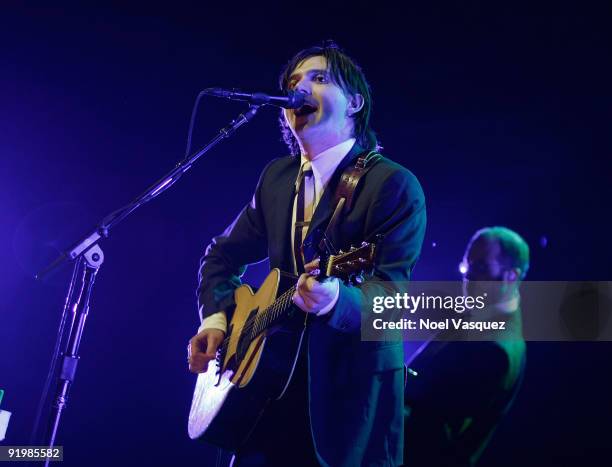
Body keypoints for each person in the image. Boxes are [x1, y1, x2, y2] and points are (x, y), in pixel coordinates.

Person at [188, 41, 426, 466]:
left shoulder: (392, 185)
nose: (300, 88)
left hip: (344, 409)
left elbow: (392, 301)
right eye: (293, 82)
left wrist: (337, 299)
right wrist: (218, 319)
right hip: (265, 403)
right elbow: (220, 258)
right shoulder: (277, 177)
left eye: (319, 79)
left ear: (355, 102)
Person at [403, 226, 529, 467]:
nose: (468, 277)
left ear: (511, 277)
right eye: (467, 266)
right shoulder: (479, 313)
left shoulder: (497, 351)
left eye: (480, 267)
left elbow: (432, 427)